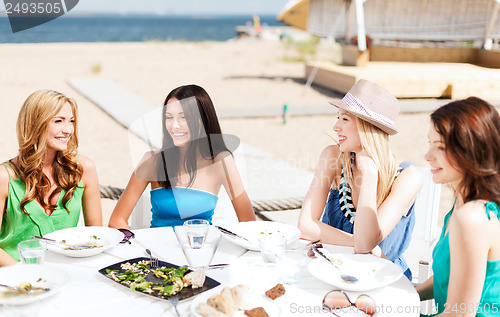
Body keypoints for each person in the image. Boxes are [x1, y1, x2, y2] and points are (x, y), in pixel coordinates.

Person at [298, 79, 423, 280]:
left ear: (368, 127)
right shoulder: (333, 157)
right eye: (338, 118)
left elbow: (366, 243)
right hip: (329, 269)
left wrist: (370, 175)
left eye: (345, 120)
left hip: (381, 279)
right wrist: (358, 243)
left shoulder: (408, 177)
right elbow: (305, 225)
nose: (335, 127)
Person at [108, 84, 255, 229]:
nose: (174, 126)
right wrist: (136, 244)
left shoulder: (221, 162)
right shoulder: (152, 160)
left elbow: (249, 223)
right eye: (169, 117)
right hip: (156, 250)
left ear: (202, 119)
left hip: (200, 247)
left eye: (183, 117)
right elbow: (117, 221)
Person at [417, 97, 500, 316]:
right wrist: (409, 293)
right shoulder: (463, 201)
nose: (427, 156)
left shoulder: (472, 218)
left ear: (472, 151)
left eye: (441, 147)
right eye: (430, 144)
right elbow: (453, 273)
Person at [0, 90, 103, 266]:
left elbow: (97, 234)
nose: (68, 130)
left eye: (71, 121)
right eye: (58, 121)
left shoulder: (84, 169)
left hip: (68, 273)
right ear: (35, 124)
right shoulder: (5, 177)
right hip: (15, 276)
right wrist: (25, 274)